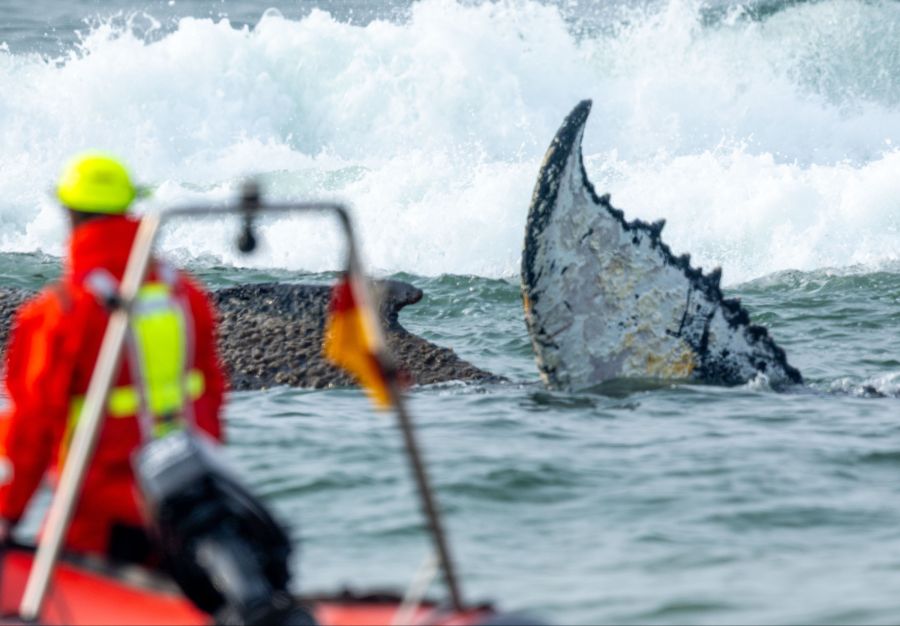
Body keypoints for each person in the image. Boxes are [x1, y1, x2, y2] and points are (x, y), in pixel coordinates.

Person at [0, 153, 226, 563]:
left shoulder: (60, 312)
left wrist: (7, 515)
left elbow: (30, 429)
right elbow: (211, 396)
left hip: (97, 517)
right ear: (128, 211)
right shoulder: (185, 296)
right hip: (187, 504)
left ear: (69, 215)